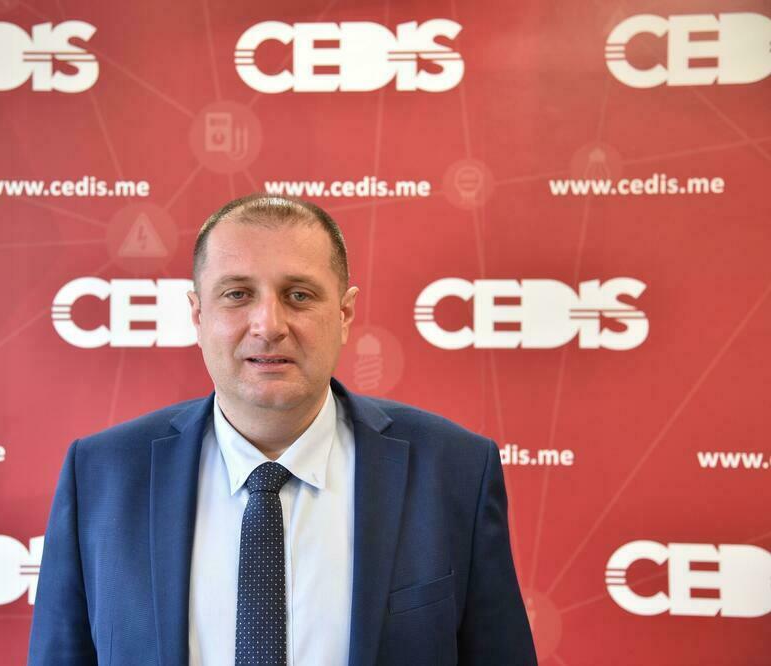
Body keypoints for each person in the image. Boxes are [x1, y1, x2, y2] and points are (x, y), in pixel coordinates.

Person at [28, 195, 537, 665]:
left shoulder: (455, 471)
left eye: (298, 295)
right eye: (237, 294)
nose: (269, 324)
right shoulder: (100, 475)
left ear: (345, 313)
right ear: (198, 315)